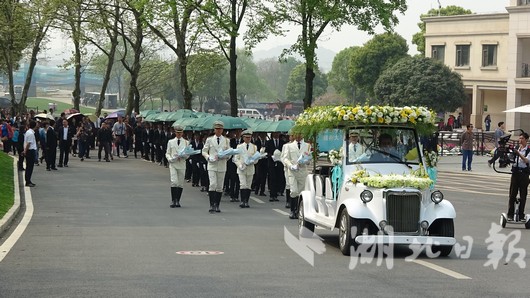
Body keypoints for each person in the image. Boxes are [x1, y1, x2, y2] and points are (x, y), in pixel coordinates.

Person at [202, 121, 231, 213]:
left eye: (220, 129)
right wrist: (208, 157)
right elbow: (204, 151)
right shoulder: (209, 140)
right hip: (212, 165)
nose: (218, 131)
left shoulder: (226, 140)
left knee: (219, 186)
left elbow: (229, 153)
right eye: (217, 129)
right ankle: (211, 205)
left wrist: (226, 156)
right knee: (212, 184)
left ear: (222, 130)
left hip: (222, 164)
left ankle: (217, 205)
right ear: (214, 130)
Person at [281, 132, 312, 219]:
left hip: (302, 171)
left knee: (301, 192)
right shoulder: (289, 146)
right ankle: (292, 210)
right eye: (296, 134)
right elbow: (285, 158)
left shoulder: (307, 145)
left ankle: (298, 211)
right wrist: (290, 165)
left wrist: (305, 161)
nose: (298, 136)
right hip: (292, 171)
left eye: (300, 134)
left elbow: (309, 159)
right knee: (293, 191)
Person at [507, 133, 530, 221]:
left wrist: (519, 154)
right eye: (519, 138)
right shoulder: (516, 148)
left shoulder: (528, 150)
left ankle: (521, 215)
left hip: (524, 174)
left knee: (523, 195)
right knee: (512, 194)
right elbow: (511, 159)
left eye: (522, 138)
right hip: (515, 173)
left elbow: (527, 161)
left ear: (526, 140)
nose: (520, 140)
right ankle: (510, 214)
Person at [233, 130, 259, 208]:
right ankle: (242, 201)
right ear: (243, 138)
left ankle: (246, 201)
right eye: (246, 137)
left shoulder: (254, 147)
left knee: (248, 185)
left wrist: (252, 161)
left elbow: (256, 158)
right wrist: (239, 165)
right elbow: (236, 158)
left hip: (250, 168)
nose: (248, 139)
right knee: (243, 184)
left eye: (249, 137)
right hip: (242, 168)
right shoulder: (239, 146)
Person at [165, 125, 189, 208]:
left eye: (180, 133)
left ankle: (177, 200)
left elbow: (188, 154)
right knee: (174, 181)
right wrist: (170, 159)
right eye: (177, 133)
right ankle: (173, 200)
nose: (179, 134)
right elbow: (167, 153)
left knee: (180, 183)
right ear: (175, 133)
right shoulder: (171, 142)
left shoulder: (186, 142)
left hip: (182, 163)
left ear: (182, 133)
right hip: (173, 163)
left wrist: (184, 156)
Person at [265, 132, 285, 202]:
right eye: (275, 133)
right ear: (273, 134)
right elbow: (266, 152)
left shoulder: (283, 143)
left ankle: (276, 194)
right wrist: (271, 156)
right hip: (271, 163)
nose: (276, 135)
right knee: (272, 178)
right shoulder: (269, 142)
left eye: (278, 133)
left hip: (279, 163)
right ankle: (272, 195)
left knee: (278, 178)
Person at [23, 120, 38, 187]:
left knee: (29, 167)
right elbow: (28, 144)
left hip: (30, 151)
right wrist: (25, 151)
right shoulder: (31, 133)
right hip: (30, 151)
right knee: (29, 167)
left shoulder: (29, 132)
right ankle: (28, 181)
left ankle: (28, 180)